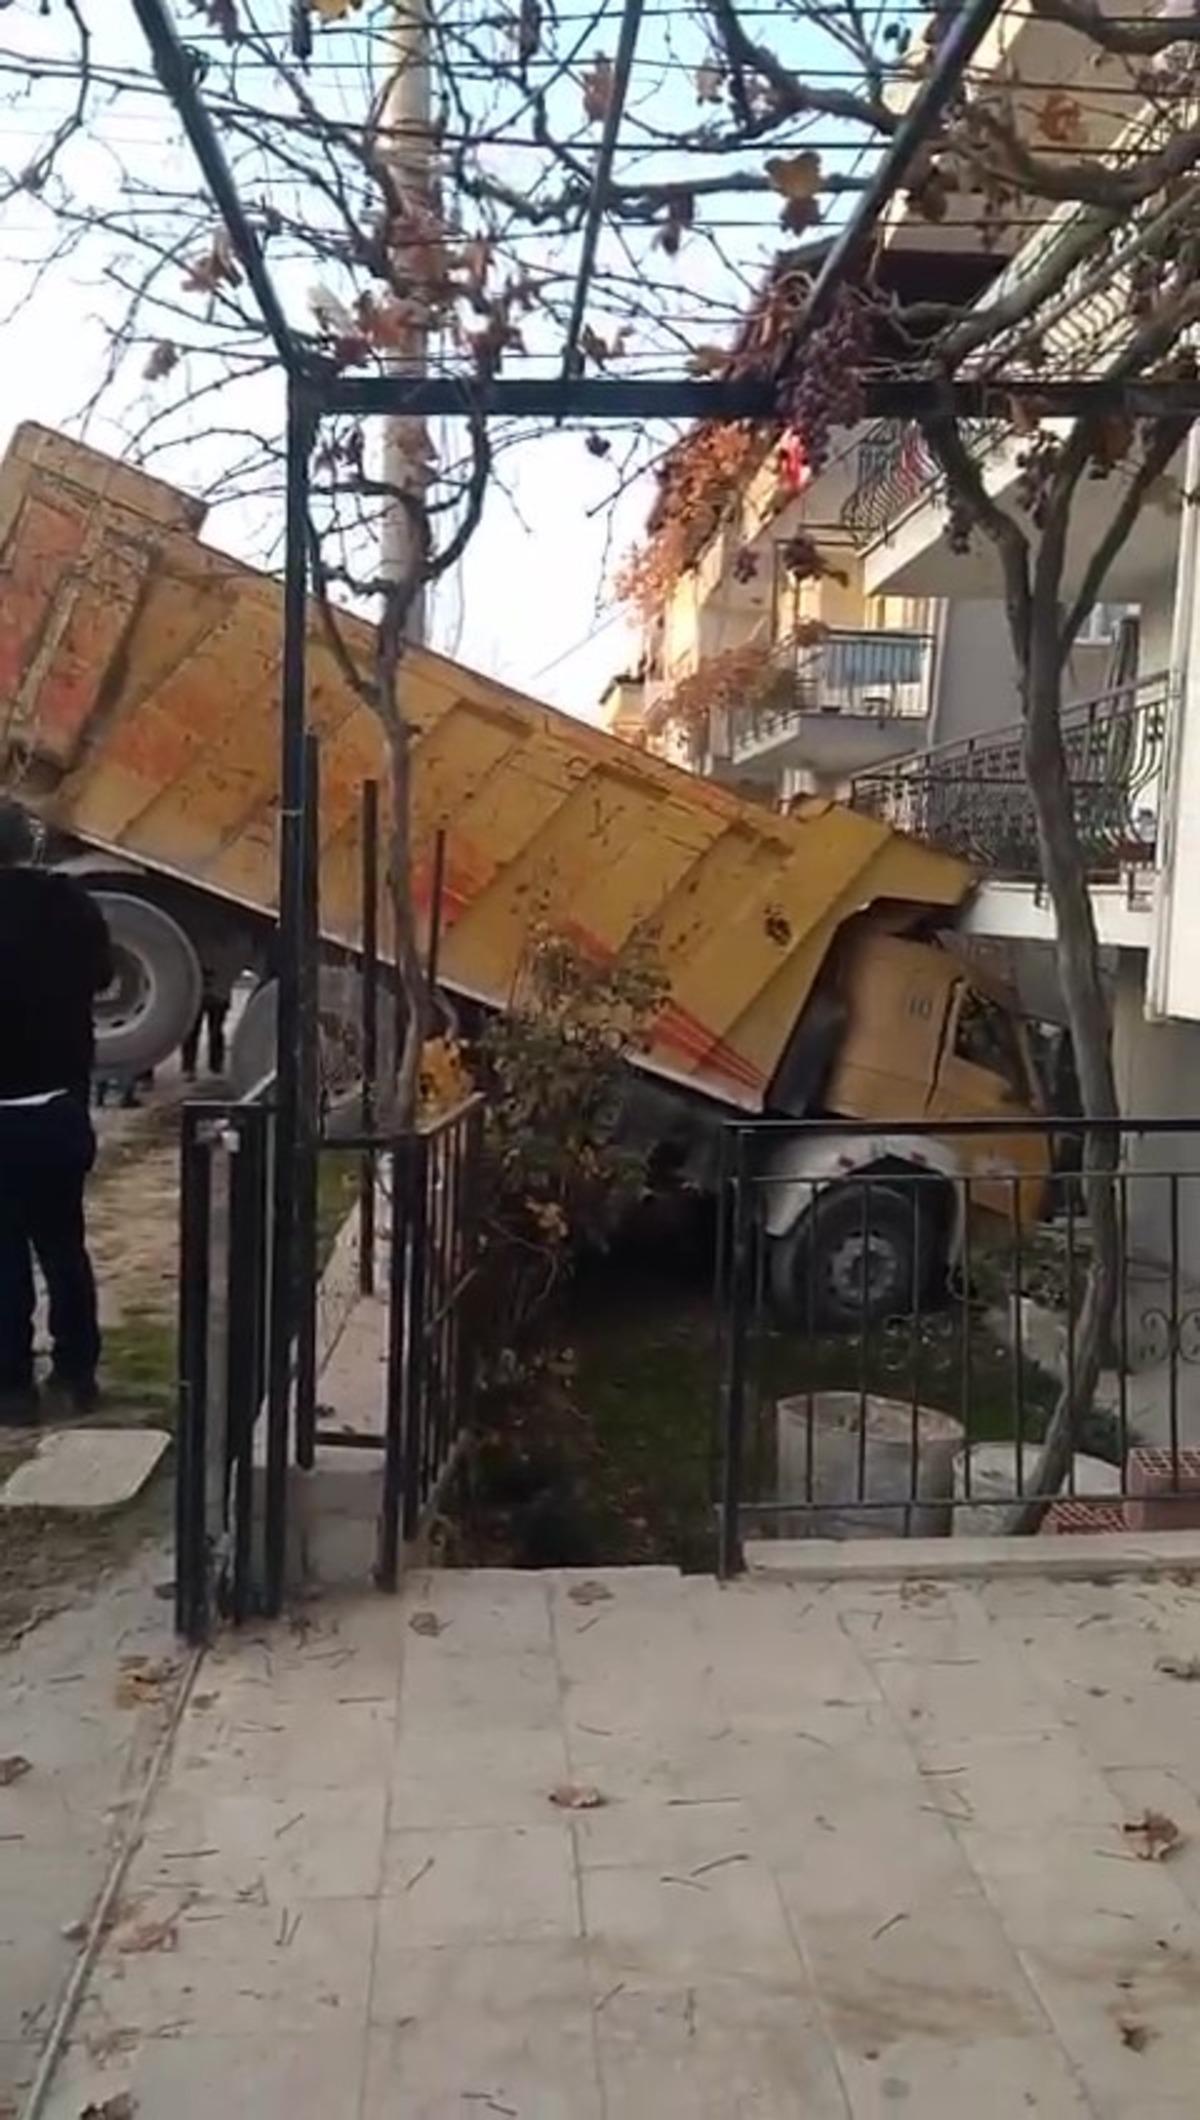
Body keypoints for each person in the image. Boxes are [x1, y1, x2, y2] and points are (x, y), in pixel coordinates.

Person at [0, 799, 113, 1424]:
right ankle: (76, 1375)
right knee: (65, 1246)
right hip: (58, 1106)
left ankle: (12, 1390)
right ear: (28, 845)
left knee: (4, 1258)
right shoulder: (72, 904)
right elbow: (101, 976)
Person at [181, 938, 243, 1080]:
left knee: (211, 1031)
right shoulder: (214, 948)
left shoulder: (208, 947)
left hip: (212, 993)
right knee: (196, 1032)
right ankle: (198, 1067)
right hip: (206, 993)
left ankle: (207, 1066)